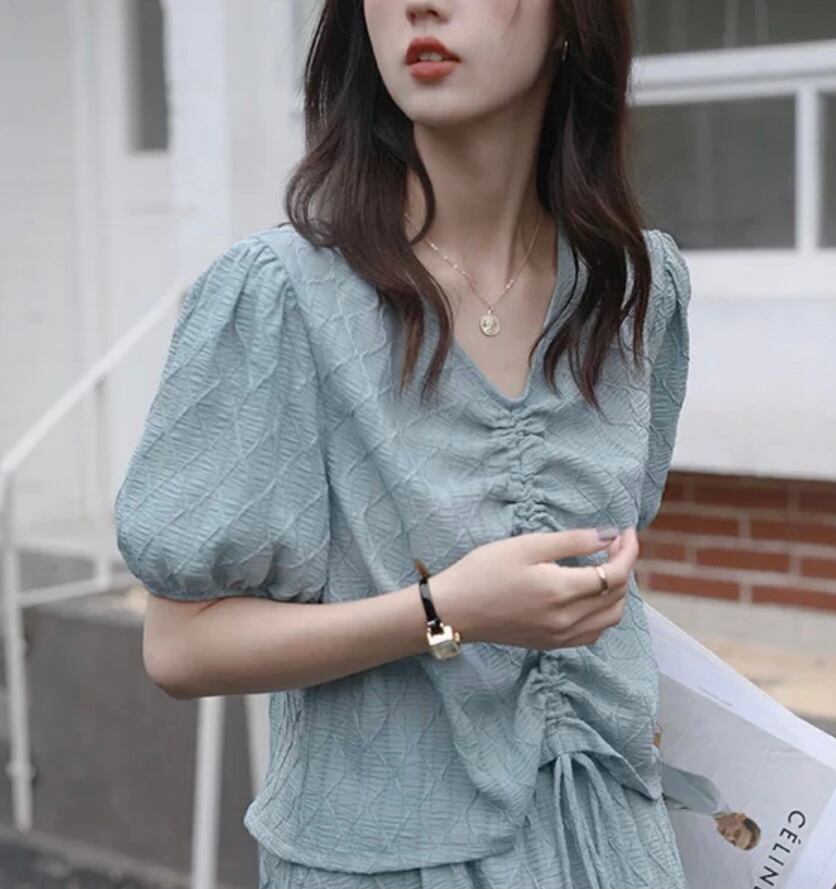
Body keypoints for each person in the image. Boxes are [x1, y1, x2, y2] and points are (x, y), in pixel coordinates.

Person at [114, 1, 693, 886]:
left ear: (568, 20)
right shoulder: (277, 297)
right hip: (383, 863)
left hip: (612, 848)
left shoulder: (633, 287)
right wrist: (444, 609)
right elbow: (178, 648)